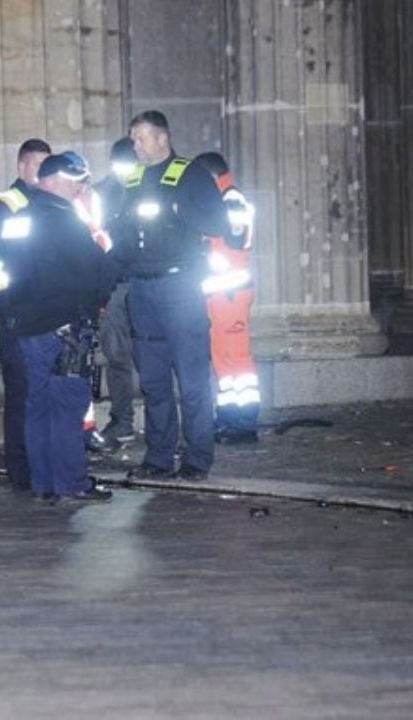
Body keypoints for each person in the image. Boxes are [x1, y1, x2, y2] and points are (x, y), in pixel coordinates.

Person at [108, 111, 234, 481]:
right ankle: (159, 456)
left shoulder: (190, 174)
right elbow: (122, 231)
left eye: (140, 138)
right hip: (143, 288)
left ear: (162, 138)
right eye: (132, 139)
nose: (135, 145)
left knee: (191, 378)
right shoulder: (133, 179)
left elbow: (218, 224)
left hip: (180, 287)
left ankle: (197, 457)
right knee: (154, 379)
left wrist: (181, 212)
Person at [5, 151, 114, 502]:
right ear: (54, 180)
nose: (81, 189)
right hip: (63, 327)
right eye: (77, 182)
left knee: (37, 407)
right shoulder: (64, 219)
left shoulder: (20, 217)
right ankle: (70, 483)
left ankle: (43, 485)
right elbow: (95, 271)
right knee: (67, 406)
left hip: (27, 325)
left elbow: (9, 265)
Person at [0, 138, 50, 493]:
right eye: (38, 166)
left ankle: (38, 463)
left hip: (39, 311)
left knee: (38, 392)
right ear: (22, 167)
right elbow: (20, 255)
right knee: (21, 394)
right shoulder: (10, 206)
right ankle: (21, 468)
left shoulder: (46, 202)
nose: (44, 173)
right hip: (16, 311)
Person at [193, 151, 260, 444]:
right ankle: (230, 417)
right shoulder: (225, 198)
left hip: (229, 292)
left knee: (236, 361)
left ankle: (243, 423)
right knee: (225, 360)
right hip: (222, 293)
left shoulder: (231, 200)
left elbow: (228, 239)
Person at [92, 137, 140, 445]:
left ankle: (164, 426)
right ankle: (122, 420)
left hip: (146, 281)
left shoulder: (149, 189)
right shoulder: (99, 194)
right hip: (114, 285)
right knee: (117, 355)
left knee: (152, 355)